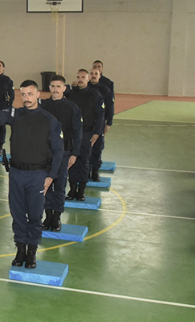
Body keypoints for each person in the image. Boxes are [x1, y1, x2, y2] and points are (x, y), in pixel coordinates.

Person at [0, 80, 63, 269]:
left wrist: (51, 176)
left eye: (30, 94)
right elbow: (4, 114)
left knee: (35, 215)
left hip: (38, 175)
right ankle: (20, 250)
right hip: (17, 173)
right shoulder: (16, 114)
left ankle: (32, 252)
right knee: (17, 213)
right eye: (23, 94)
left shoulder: (49, 120)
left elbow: (59, 151)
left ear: (38, 95)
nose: (26, 98)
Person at [41, 75, 82, 231]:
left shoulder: (72, 108)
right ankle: (48, 216)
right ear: (49, 88)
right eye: (52, 86)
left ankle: (56, 217)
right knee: (45, 185)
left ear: (64, 88)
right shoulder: (43, 106)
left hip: (64, 153)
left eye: (59, 86)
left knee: (59, 186)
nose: (55, 89)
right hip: (45, 153)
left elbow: (78, 133)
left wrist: (74, 154)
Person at [65, 69, 104, 201]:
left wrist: (97, 133)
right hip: (72, 134)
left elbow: (100, 115)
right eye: (78, 77)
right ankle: (72, 189)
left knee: (84, 162)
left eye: (83, 77)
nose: (80, 79)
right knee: (71, 162)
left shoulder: (95, 94)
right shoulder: (71, 94)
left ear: (88, 79)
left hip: (87, 133)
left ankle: (81, 191)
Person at [88, 68, 114, 182]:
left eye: (96, 74)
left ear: (100, 76)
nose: (93, 75)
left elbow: (110, 107)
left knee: (97, 149)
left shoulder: (105, 90)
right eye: (92, 74)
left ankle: (95, 172)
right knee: (85, 149)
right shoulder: (83, 88)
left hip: (99, 124)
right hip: (85, 125)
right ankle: (85, 171)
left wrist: (109, 123)